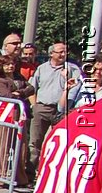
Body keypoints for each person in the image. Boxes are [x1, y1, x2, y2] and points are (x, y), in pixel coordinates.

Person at [27, 42, 83, 177]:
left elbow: (75, 88)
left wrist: (67, 78)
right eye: (60, 52)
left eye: (65, 52)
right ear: (51, 53)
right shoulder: (41, 68)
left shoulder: (72, 69)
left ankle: (50, 174)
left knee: (58, 143)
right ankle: (29, 173)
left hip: (62, 110)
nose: (63, 54)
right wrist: (35, 106)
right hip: (42, 108)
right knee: (34, 143)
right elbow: (31, 88)